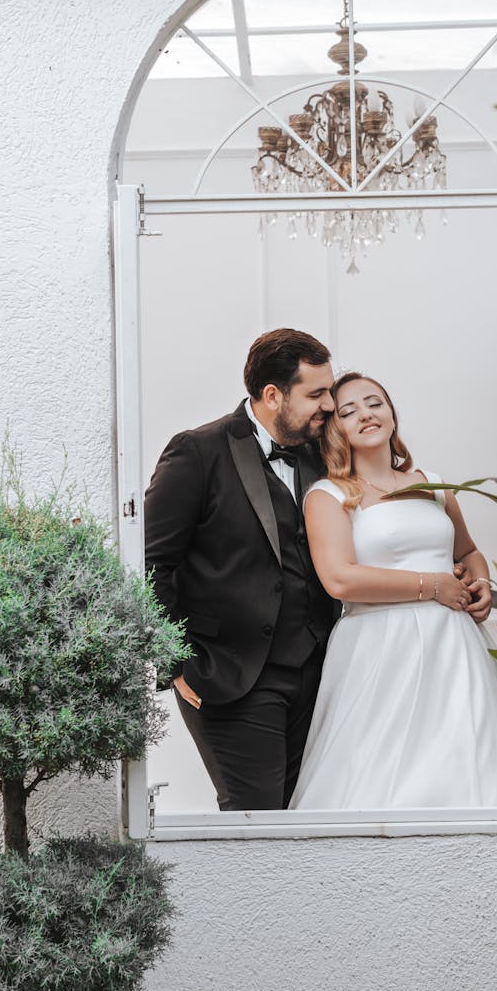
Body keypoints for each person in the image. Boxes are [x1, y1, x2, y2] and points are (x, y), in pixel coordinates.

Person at [289, 372, 497, 810]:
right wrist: (433, 586)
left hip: (454, 646)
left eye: (374, 402)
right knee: (379, 772)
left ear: (391, 412)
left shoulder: (431, 481)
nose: (366, 414)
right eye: (349, 410)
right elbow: (340, 579)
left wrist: (480, 582)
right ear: (336, 428)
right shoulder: (329, 495)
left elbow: (467, 551)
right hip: (380, 647)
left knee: (467, 760)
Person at [144, 328, 339, 811]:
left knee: (307, 814)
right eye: (316, 393)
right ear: (273, 395)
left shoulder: (322, 454)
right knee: (255, 824)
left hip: (318, 671)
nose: (330, 404)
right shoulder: (197, 452)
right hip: (230, 674)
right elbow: (150, 563)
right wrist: (173, 663)